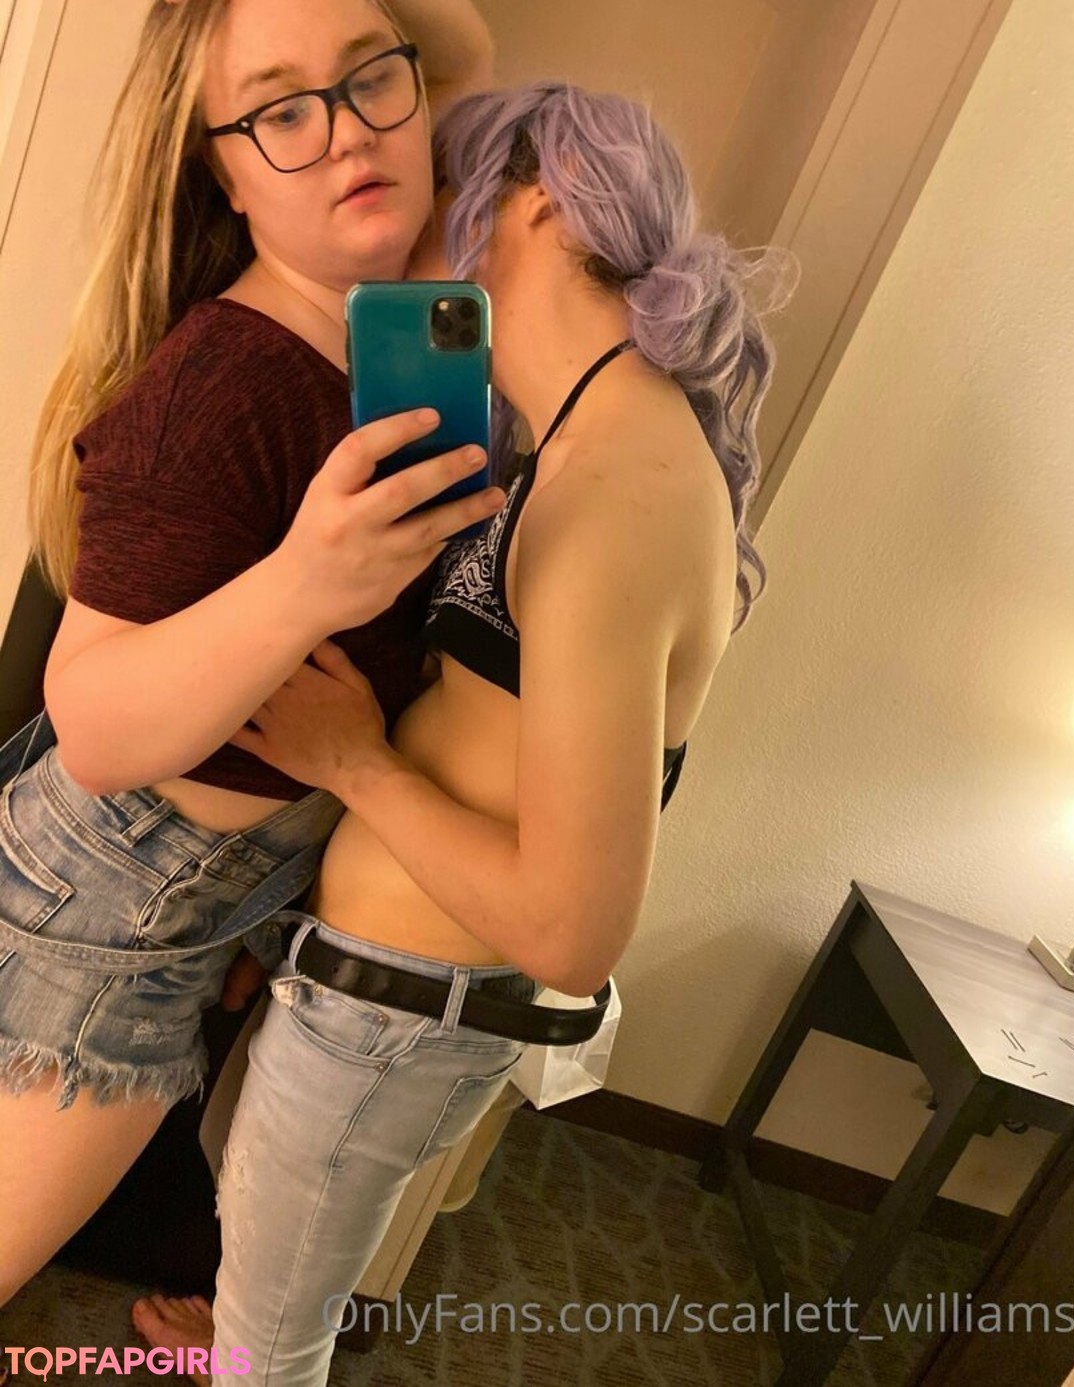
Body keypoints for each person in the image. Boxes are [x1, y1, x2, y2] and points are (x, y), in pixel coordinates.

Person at [131, 79, 786, 1386]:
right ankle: (249, 1329)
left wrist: (352, 761)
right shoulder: (576, 441)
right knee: (261, 1266)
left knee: (277, 1352)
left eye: (441, 199)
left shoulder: (616, 491)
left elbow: (572, 933)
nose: (402, 234)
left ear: (538, 206)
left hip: (401, 1015)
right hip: (379, 994)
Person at [0, 0, 505, 1322]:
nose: (346, 135)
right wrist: (307, 583)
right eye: (280, 111)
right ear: (221, 170)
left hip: (201, 895)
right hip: (110, 911)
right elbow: (94, 726)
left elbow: (457, 51)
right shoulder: (221, 385)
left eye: (368, 80)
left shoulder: (389, 304)